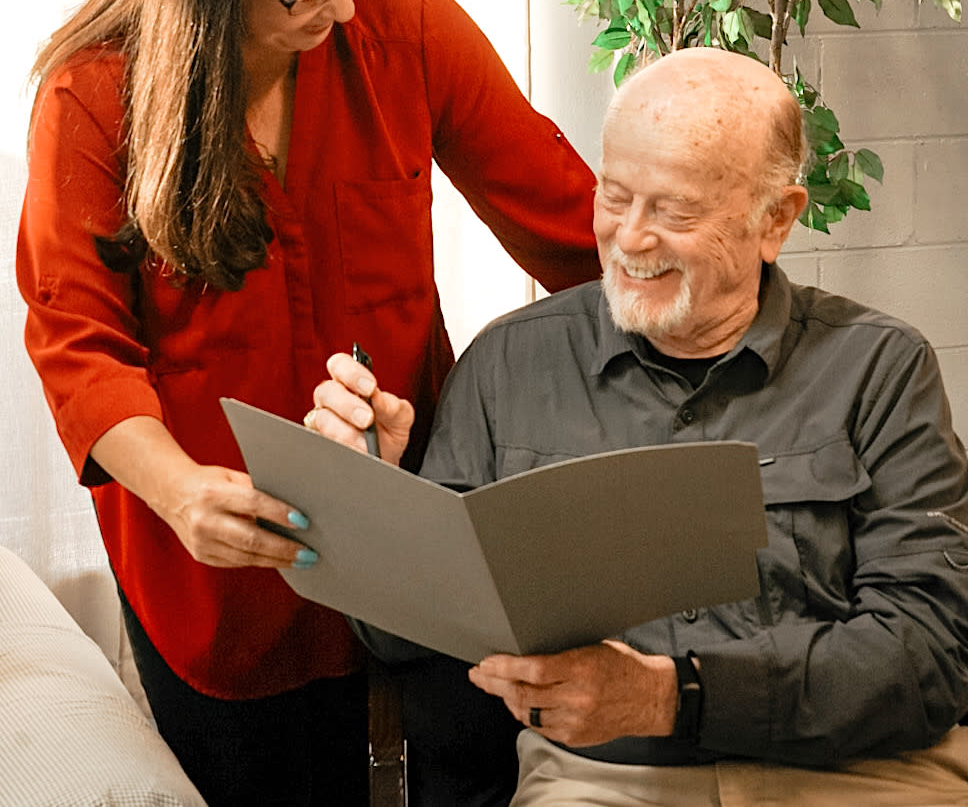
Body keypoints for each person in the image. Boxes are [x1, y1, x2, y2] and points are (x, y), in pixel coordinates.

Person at [16, 0, 602, 807]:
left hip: (415, 525)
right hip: (215, 558)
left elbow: (571, 226)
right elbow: (77, 339)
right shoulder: (92, 95)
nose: (340, 10)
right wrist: (178, 490)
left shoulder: (406, 24)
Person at [311, 47, 968, 806]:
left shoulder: (878, 370)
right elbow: (406, 641)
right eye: (614, 197)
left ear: (776, 221)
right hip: (608, 782)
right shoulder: (508, 365)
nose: (630, 239)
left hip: (860, 773)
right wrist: (366, 499)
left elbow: (931, 653)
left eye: (676, 211)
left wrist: (673, 695)